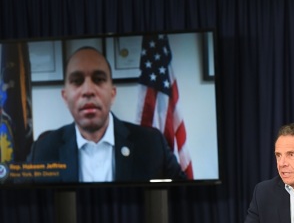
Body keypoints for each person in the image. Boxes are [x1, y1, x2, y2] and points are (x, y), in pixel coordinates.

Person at [27, 46, 186, 183]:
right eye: (77, 81)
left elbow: (185, 197)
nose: (88, 90)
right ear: (65, 96)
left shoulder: (151, 144)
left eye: (98, 79)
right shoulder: (43, 150)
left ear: (112, 94)